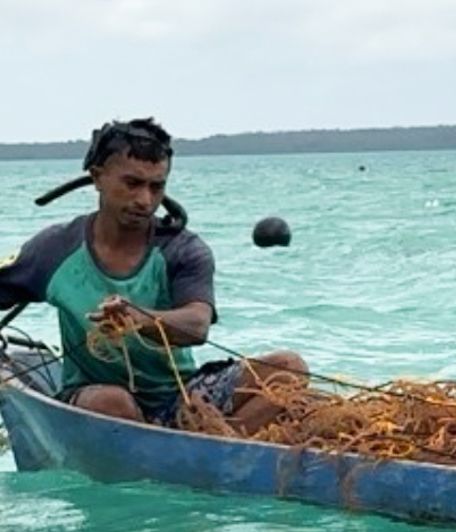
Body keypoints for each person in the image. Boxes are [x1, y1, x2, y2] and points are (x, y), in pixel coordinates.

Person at [0, 118, 306, 434]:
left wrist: (139, 319)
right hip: (96, 399)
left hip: (178, 396)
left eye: (156, 187)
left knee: (288, 369)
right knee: (113, 402)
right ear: (97, 178)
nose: (145, 200)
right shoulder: (55, 248)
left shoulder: (183, 249)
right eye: (132, 184)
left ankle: (214, 447)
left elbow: (196, 326)